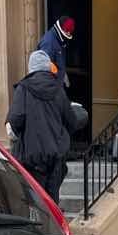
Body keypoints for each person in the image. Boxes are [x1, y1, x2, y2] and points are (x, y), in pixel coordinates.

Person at [7, 50, 79, 204]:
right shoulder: (59, 89)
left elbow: (16, 119)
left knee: (35, 202)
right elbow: (72, 121)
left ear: (31, 68)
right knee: (52, 202)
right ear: (47, 66)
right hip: (55, 157)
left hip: (31, 158)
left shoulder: (24, 88)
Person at [38, 15, 75, 87]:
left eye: (70, 32)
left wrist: (63, 74)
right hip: (51, 85)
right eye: (67, 31)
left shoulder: (59, 40)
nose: (68, 34)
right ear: (62, 29)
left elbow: (58, 61)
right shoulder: (49, 42)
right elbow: (44, 67)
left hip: (57, 83)